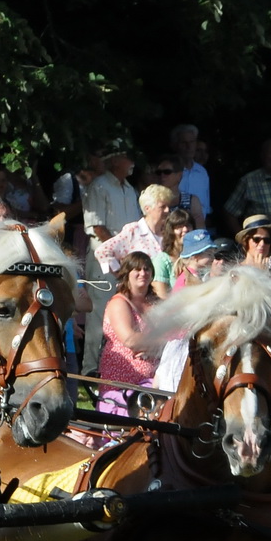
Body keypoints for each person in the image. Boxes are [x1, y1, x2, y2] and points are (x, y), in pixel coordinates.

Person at [81, 151, 139, 374]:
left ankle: (120, 365)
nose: (132, 162)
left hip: (127, 261)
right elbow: (97, 227)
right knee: (99, 312)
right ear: (115, 160)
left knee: (126, 310)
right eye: (127, 157)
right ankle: (90, 369)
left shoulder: (130, 189)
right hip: (103, 259)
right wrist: (119, 254)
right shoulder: (99, 186)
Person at [98, 252, 159, 412]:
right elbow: (130, 340)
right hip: (121, 384)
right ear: (127, 274)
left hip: (154, 380)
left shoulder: (156, 304)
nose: (143, 273)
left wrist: (153, 346)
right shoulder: (119, 303)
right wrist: (158, 344)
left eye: (147, 269)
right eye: (137, 269)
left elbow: (173, 336)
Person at [222, 137, 271, 234]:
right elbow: (230, 212)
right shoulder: (248, 181)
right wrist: (243, 238)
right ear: (263, 155)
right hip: (264, 241)